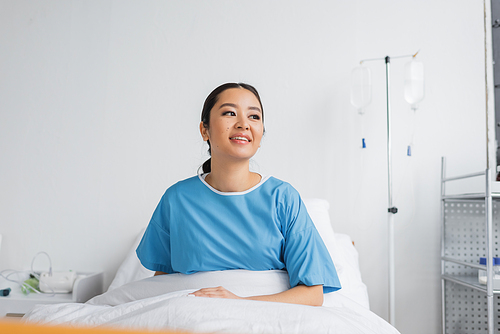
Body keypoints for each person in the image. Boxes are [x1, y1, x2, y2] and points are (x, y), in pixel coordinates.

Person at [136, 83, 341, 306]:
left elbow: (312, 294)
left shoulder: (283, 198)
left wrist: (240, 301)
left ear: (261, 134)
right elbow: (164, 284)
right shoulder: (176, 199)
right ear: (205, 130)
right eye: (230, 113)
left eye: (254, 116)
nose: (243, 124)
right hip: (192, 316)